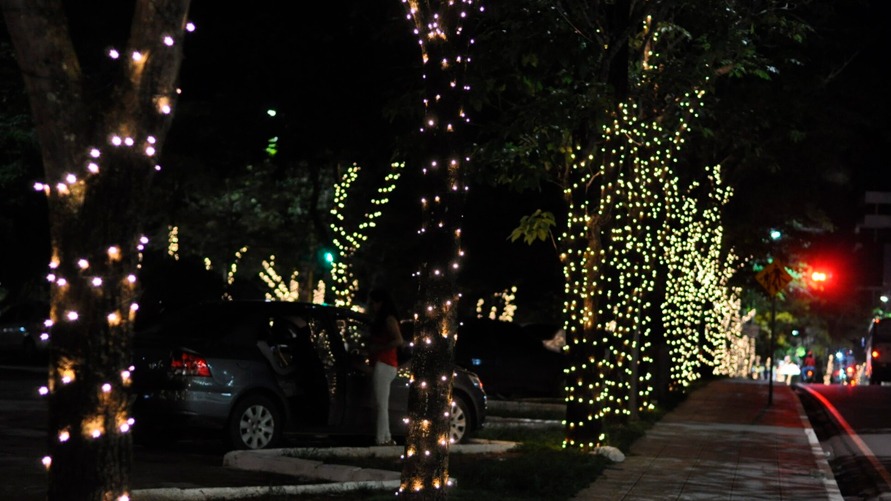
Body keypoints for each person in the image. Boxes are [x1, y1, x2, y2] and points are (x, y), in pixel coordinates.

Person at [367, 288, 404, 446]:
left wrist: (378, 348)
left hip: (385, 364)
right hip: (384, 363)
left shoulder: (389, 319)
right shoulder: (384, 319)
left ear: (381, 303)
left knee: (381, 404)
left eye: (374, 303)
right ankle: (386, 437)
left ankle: (381, 438)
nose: (373, 306)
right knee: (382, 403)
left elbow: (399, 340)